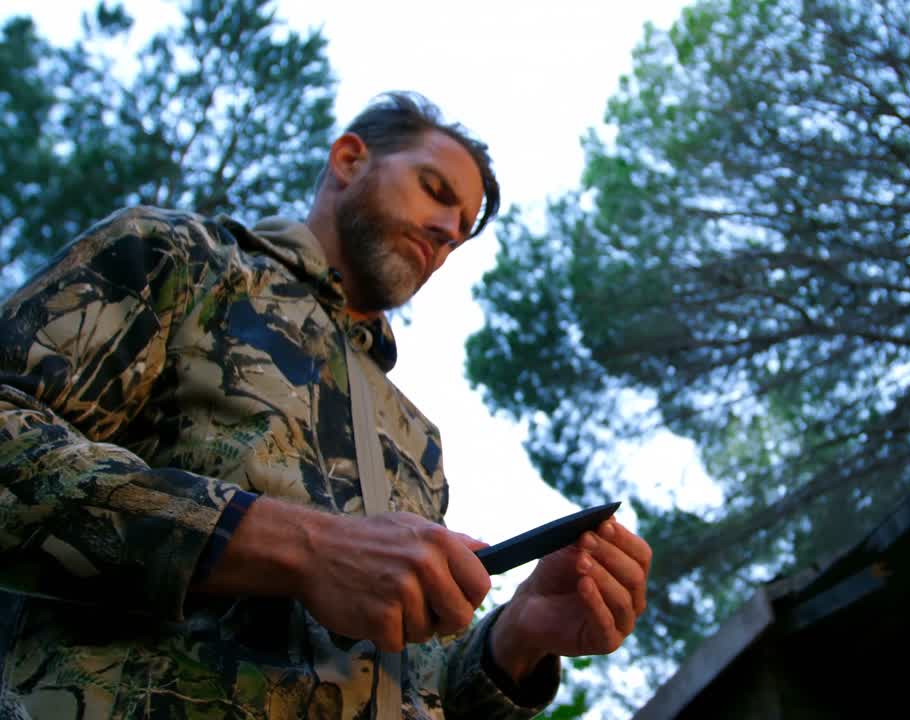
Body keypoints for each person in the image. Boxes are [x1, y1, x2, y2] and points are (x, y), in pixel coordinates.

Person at [0, 91, 652, 720]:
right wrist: (300, 548)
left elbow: (418, 683)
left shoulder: (418, 439)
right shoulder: (183, 258)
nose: (447, 231)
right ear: (348, 160)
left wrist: (520, 638)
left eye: (459, 233)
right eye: (435, 189)